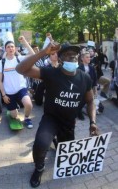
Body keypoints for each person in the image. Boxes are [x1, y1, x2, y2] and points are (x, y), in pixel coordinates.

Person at [16, 42, 97, 188]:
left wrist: (93, 122)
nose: (72, 57)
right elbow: (20, 69)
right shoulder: (50, 73)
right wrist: (42, 52)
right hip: (51, 118)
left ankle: (58, 141)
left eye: (74, 55)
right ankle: (39, 168)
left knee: (65, 154)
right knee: (40, 144)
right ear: (60, 59)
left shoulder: (85, 78)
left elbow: (90, 101)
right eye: (67, 55)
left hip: (69, 122)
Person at [0, 40, 33, 128]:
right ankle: (15, 108)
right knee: (14, 115)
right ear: (5, 49)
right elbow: (0, 81)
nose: (10, 48)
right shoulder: (1, 63)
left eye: (12, 46)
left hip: (21, 88)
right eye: (8, 47)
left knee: (28, 104)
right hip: (9, 92)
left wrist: (24, 41)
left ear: (15, 48)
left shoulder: (19, 59)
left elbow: (33, 54)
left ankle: (27, 118)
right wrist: (3, 95)